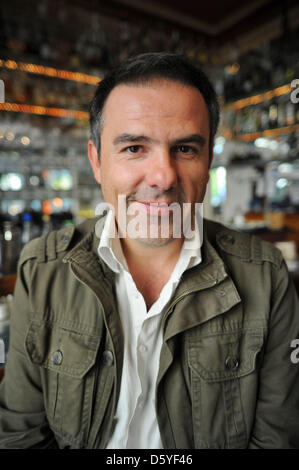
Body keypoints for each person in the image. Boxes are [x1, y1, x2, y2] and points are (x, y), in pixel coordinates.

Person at [0, 52, 299, 449]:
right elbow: (21, 437)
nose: (163, 177)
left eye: (186, 149)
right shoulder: (41, 270)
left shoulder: (266, 277)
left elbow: (278, 441)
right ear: (97, 160)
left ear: (208, 160)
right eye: (134, 148)